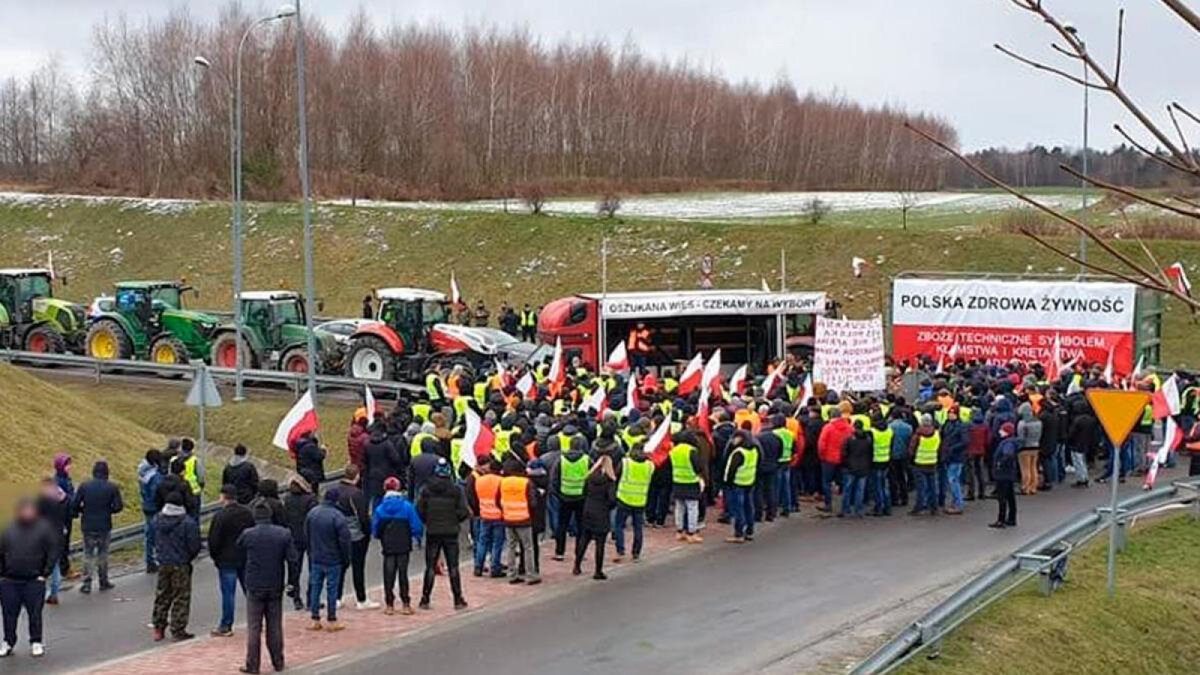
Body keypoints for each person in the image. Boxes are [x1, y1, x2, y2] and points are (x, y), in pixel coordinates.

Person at [238, 501, 297, 674]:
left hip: (255, 584)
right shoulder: (283, 534)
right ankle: (278, 661)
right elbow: (292, 560)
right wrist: (292, 581)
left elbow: (239, 550)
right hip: (275, 583)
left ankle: (252, 664)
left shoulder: (248, 534)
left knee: (254, 627)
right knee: (275, 625)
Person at [0, 498, 59, 658]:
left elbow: (53, 551)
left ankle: (36, 641)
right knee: (8, 614)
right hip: (10, 580)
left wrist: (44, 573)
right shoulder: (8, 529)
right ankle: (8, 642)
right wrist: (2, 574)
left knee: (35, 614)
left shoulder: (44, 529)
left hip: (34, 580)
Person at [415, 459, 469, 610]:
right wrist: (454, 518)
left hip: (433, 530)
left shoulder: (426, 489)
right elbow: (464, 511)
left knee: (430, 566)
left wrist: (428, 520)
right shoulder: (456, 490)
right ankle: (458, 599)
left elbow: (419, 510)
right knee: (453, 566)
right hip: (451, 531)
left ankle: (425, 599)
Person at [152, 493, 202, 642]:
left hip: (163, 562)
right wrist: (188, 558)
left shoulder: (157, 520)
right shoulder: (187, 523)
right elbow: (194, 545)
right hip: (180, 564)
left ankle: (158, 627)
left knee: (162, 595)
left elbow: (153, 539)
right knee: (181, 597)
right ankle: (178, 629)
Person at [371, 476, 423, 615]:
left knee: (388, 573)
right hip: (403, 543)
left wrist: (379, 536)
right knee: (403, 573)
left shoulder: (380, 509)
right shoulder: (407, 507)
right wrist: (417, 537)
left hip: (388, 545)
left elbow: (375, 529)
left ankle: (389, 604)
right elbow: (416, 525)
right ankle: (406, 603)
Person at [209, 485, 255, 637]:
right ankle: (256, 621)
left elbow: (214, 541)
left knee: (228, 594)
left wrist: (215, 557)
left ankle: (226, 625)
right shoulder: (247, 513)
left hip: (226, 559)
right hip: (244, 556)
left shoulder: (220, 516)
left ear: (224, 496)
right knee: (250, 591)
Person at [71, 460, 123, 593]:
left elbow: (75, 503)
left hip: (88, 524)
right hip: (104, 524)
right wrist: (108, 510)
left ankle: (87, 583)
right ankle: (103, 580)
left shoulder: (84, 486)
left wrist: (83, 511)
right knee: (103, 554)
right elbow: (118, 507)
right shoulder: (112, 487)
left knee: (88, 554)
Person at [305, 488, 351, 632]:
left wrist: (311, 551)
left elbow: (307, 534)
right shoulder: (338, 516)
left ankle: (315, 618)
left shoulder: (312, 513)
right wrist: (346, 559)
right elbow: (345, 541)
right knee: (332, 589)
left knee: (315, 588)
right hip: (333, 559)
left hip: (316, 557)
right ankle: (331, 619)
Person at [334, 465, 377, 610]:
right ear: (356, 476)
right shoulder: (356, 494)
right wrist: (367, 532)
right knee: (358, 567)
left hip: (339, 534)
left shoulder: (335, 490)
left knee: (340, 566)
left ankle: (337, 597)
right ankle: (361, 599)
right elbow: (363, 517)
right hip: (356, 535)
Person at [575, 455, 617, 580]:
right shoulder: (609, 481)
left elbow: (583, 493)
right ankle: (598, 571)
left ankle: (577, 565)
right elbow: (612, 500)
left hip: (588, 510)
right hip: (601, 512)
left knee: (584, 539)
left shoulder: (589, 477)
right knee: (600, 543)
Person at [501, 457, 540, 585]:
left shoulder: (503, 482)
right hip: (523, 519)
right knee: (528, 548)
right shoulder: (526, 482)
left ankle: (511, 574)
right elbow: (533, 503)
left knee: (511, 547)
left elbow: (498, 500)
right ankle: (531, 575)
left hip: (508, 518)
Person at [551, 435, 591, 560]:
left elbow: (554, 479)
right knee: (581, 527)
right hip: (581, 497)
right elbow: (592, 477)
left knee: (562, 526)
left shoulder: (561, 460)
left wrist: (558, 494)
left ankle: (559, 552)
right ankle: (579, 552)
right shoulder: (587, 460)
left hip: (564, 497)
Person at [466, 458, 506, 578]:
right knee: (497, 543)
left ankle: (478, 566)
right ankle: (495, 567)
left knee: (482, 542)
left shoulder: (479, 480)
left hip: (484, 514)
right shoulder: (501, 481)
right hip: (498, 515)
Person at [282, 476, 317, 611]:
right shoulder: (310, 499)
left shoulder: (287, 499)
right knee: (313, 569)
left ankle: (296, 598)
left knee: (295, 569)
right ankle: (311, 599)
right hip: (309, 536)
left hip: (293, 537)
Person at [612, 444, 652, 562]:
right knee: (638, 528)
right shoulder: (650, 465)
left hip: (624, 498)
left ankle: (620, 551)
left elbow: (616, 476)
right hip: (640, 500)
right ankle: (636, 553)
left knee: (619, 525)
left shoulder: (626, 463)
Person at [35, 477, 70, 605]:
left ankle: (40, 593)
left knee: (42, 567)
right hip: (58, 537)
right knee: (54, 566)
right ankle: (54, 594)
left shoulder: (39, 502)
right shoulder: (59, 501)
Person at [668, 432, 704, 542]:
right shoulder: (692, 450)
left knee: (679, 507)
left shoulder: (673, 451)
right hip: (691, 481)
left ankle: (679, 531)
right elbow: (698, 467)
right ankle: (691, 533)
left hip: (677, 481)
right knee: (692, 508)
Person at [723, 433, 758, 543]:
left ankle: (739, 533)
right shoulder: (754, 450)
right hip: (749, 481)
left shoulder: (738, 453)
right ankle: (750, 531)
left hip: (737, 483)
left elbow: (731, 470)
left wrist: (727, 482)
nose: (733, 440)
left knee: (738, 509)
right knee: (749, 507)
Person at [137, 449, 165, 573]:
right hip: (154, 507)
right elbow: (156, 493)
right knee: (154, 535)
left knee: (149, 534)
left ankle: (150, 560)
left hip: (146, 505)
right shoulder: (155, 476)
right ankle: (153, 561)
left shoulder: (143, 471)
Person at [908, 415, 940, 516]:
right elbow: (939, 446)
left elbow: (911, 449)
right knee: (933, 486)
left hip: (920, 463)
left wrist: (911, 458)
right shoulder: (936, 434)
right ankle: (934, 508)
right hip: (932, 462)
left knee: (921, 488)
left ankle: (919, 507)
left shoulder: (918, 435)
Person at [990, 422, 1020, 529]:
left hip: (1003, 474)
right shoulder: (1012, 442)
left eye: (1002, 430)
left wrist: (1000, 463)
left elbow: (1008, 455)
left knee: (1002, 497)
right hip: (1009, 473)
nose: (999, 431)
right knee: (1010, 496)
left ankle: (1001, 520)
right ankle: (1012, 518)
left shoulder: (1007, 443)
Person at [841, 421, 873, 518]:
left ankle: (846, 509)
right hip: (864, 467)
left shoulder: (849, 439)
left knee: (847, 489)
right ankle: (858, 510)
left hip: (851, 467)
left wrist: (845, 464)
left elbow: (844, 453)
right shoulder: (868, 440)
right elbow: (870, 453)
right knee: (860, 490)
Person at [940, 407, 969, 514]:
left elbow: (965, 441)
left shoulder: (961, 426)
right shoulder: (947, 424)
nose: (950, 415)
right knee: (954, 480)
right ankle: (956, 501)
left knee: (953, 480)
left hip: (956, 456)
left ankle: (958, 504)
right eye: (949, 414)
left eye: (952, 414)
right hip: (948, 456)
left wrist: (952, 448)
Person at [52, 453, 74, 582]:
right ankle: (64, 570)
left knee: (65, 543)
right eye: (67, 464)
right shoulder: (58, 481)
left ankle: (64, 568)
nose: (70, 467)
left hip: (67, 515)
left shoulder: (66, 479)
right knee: (62, 544)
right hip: (61, 517)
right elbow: (63, 499)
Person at [1015, 401, 1043, 495]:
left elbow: (1020, 437)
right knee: (1033, 467)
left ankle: (1025, 487)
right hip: (1036, 446)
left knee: (1025, 468)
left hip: (1025, 448)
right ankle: (1033, 487)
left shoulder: (1022, 423)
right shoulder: (1038, 422)